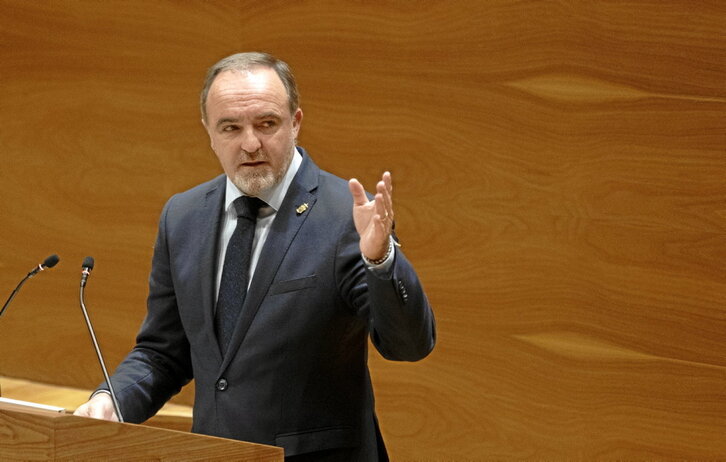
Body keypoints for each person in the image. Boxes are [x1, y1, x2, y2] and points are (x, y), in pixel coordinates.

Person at [74, 52, 435, 461]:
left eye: (267, 124)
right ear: (209, 131)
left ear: (295, 122)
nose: (250, 144)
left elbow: (409, 345)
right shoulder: (184, 216)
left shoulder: (345, 216)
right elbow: (164, 351)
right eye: (231, 127)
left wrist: (381, 258)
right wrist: (111, 401)